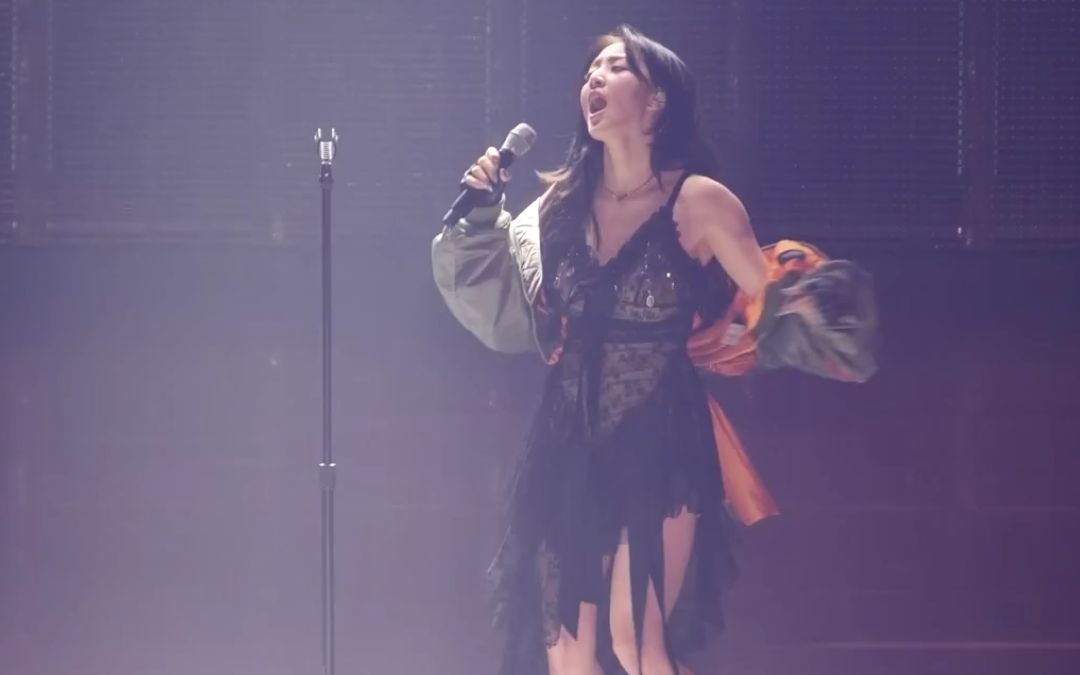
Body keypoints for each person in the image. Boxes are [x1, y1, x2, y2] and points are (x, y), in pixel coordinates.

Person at [432, 24, 877, 675]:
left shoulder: (699, 201)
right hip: (565, 442)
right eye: (591, 70)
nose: (594, 78)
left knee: (634, 643)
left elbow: (767, 299)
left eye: (614, 67)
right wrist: (479, 212)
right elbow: (504, 297)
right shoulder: (559, 205)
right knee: (567, 652)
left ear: (657, 98)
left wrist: (816, 303)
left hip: (660, 440)